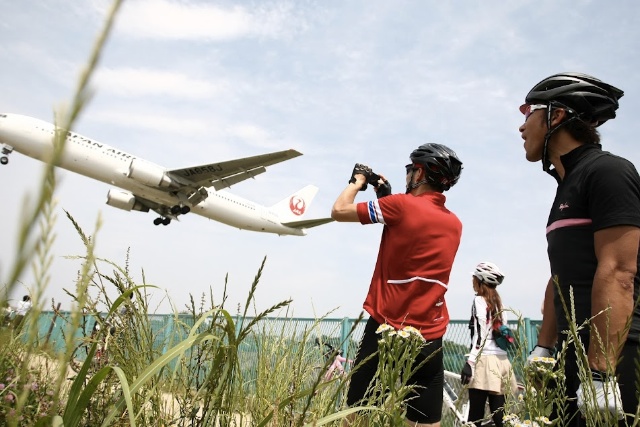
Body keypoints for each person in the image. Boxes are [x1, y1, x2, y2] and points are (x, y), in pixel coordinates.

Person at [518, 72, 640, 425]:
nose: (522, 126)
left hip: (617, 351)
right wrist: (543, 346)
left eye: (529, 112)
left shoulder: (608, 172)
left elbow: (619, 271)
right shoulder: (566, 186)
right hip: (575, 349)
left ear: (556, 115)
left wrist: (601, 373)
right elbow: (561, 275)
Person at [331, 143, 463, 426]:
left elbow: (339, 210)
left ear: (420, 173)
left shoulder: (400, 206)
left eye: (409, 170)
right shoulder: (455, 224)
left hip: (386, 328)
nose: (407, 176)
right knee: (425, 421)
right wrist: (386, 196)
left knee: (357, 416)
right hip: (429, 334)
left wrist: (357, 182)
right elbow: (411, 235)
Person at [460, 262, 517, 427]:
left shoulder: (479, 301)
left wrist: (470, 362)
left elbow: (480, 335)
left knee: (475, 417)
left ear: (480, 280)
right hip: (502, 361)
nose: (472, 282)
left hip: (484, 361)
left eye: (474, 278)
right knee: (500, 418)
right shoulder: (499, 302)